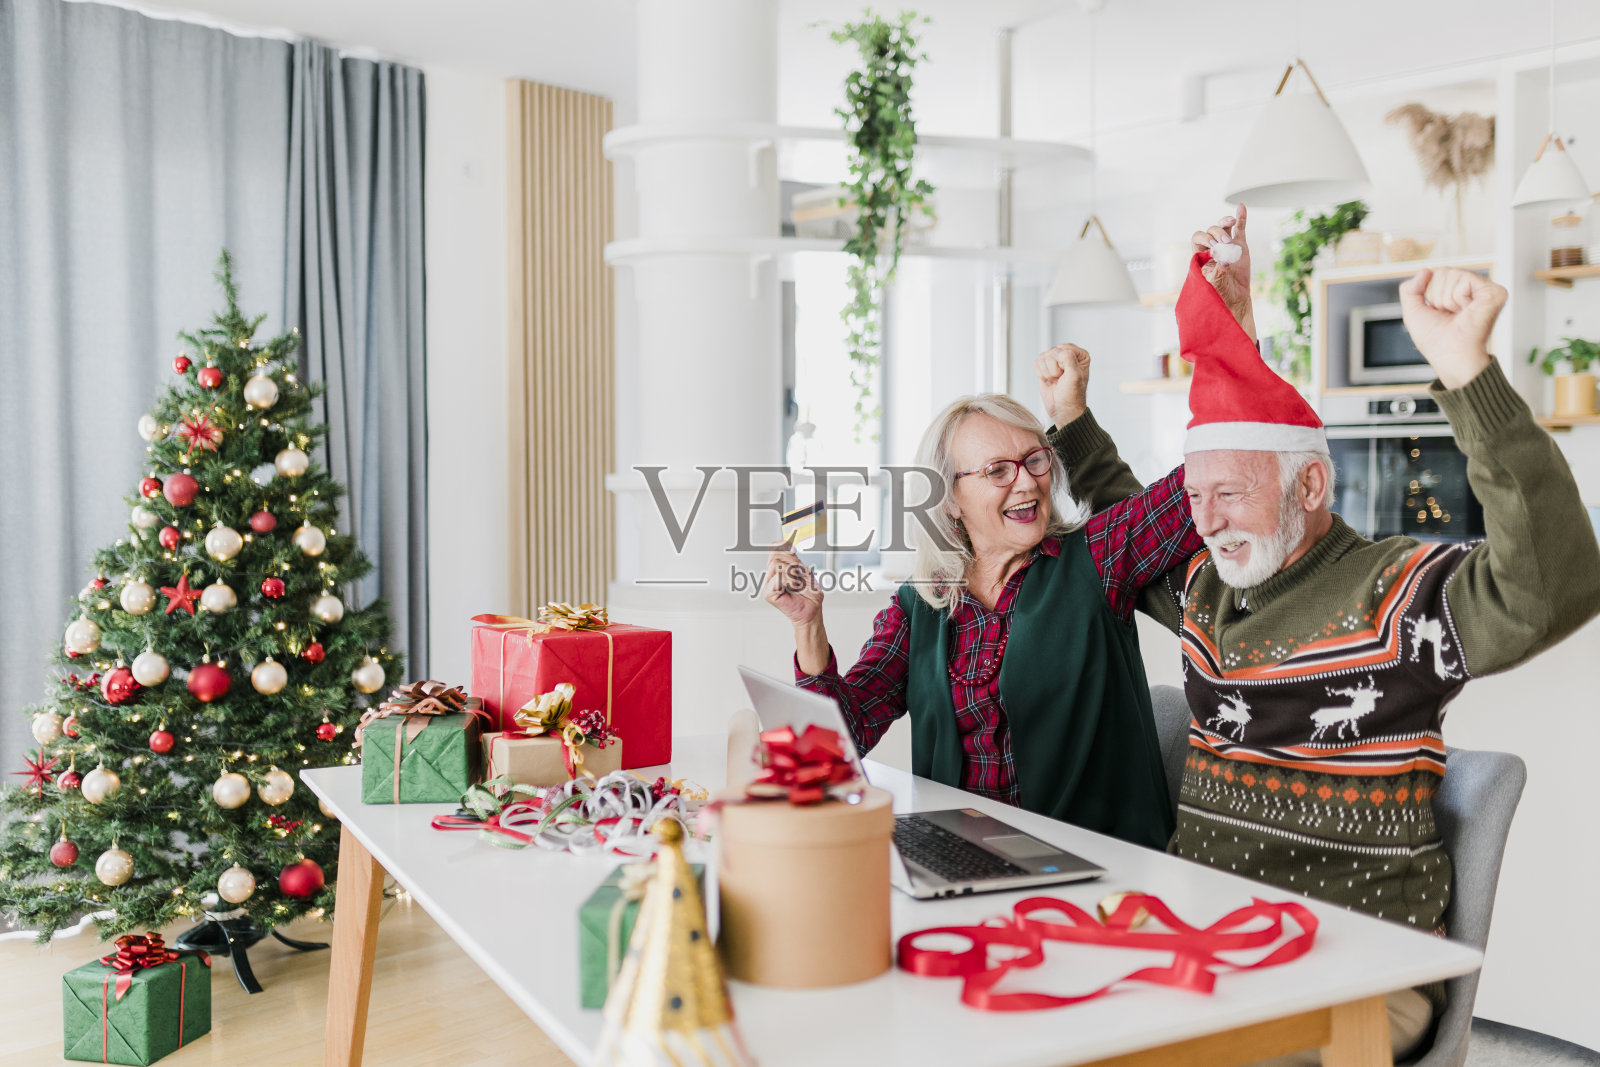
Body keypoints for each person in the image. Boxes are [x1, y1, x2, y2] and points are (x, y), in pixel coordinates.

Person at [1038, 206, 1600, 1062]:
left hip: (1360, 965)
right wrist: (1071, 420)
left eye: (1230, 493)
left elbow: (1554, 584)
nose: (1207, 521)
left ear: (1309, 486)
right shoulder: (1208, 588)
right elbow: (1126, 525)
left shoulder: (1393, 592)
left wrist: (1466, 370)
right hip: (1211, 932)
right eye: (1195, 496)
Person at [762, 393, 1203, 849]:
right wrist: (808, 626)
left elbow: (1202, 483)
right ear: (950, 499)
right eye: (997, 470)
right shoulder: (921, 603)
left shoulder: (1099, 555)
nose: (1027, 483)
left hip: (1093, 864)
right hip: (959, 856)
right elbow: (834, 747)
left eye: (1035, 460)